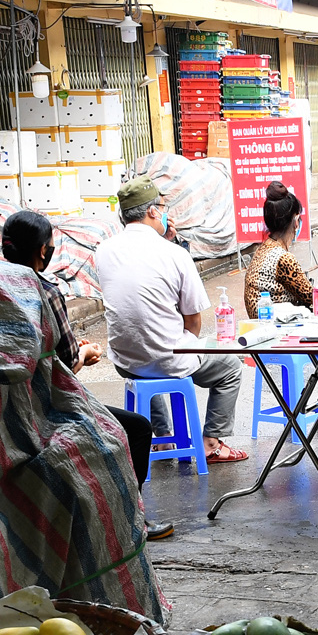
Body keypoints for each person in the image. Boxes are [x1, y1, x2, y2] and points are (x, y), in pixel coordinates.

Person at [0, 209, 174, 541]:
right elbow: (66, 363)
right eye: (50, 244)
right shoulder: (45, 291)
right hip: (46, 408)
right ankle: (130, 521)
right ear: (42, 251)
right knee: (136, 429)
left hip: (7, 404)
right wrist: (86, 353)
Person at [92, 178, 247, 464]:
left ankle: (160, 440)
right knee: (231, 368)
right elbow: (193, 321)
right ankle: (211, 441)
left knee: (147, 360)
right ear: (152, 212)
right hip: (168, 359)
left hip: (125, 360)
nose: (166, 212)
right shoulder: (175, 254)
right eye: (163, 207)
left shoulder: (104, 250)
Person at [243, 180, 315, 311]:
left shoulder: (264, 249)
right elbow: (313, 296)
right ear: (295, 221)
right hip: (277, 325)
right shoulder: (283, 258)